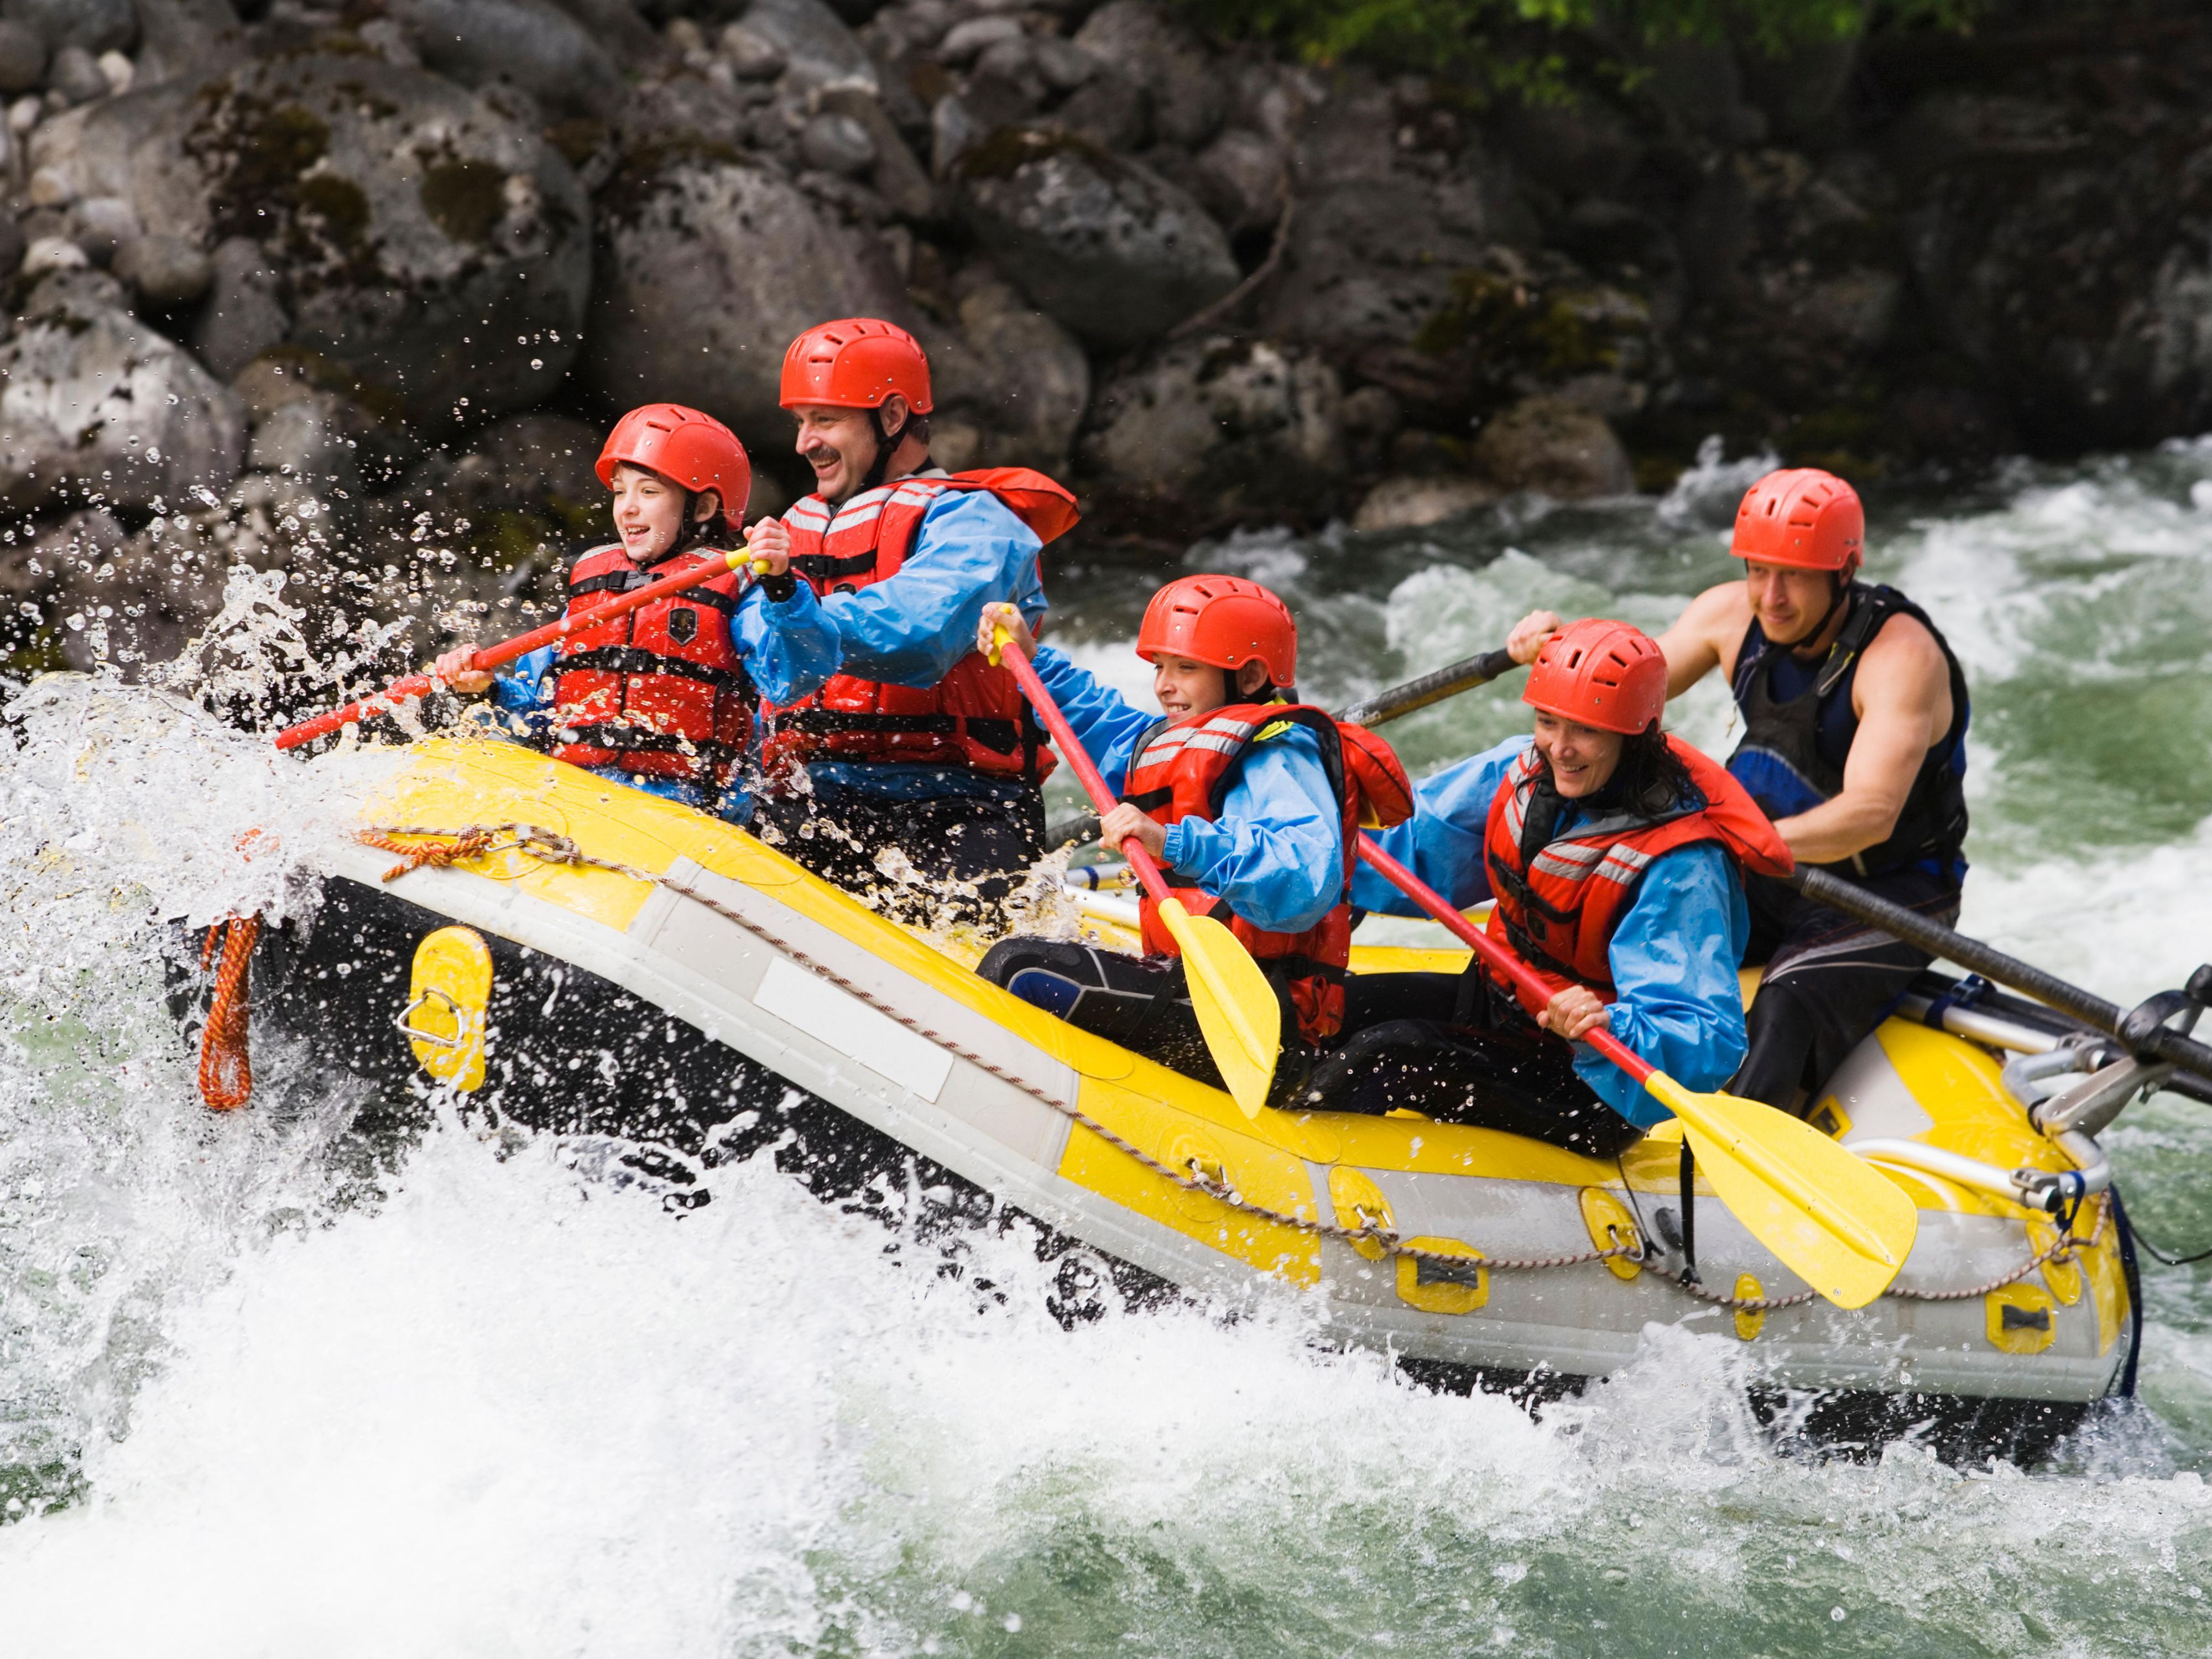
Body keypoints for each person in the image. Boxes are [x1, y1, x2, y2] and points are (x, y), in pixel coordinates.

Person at [1507, 467, 1970, 1115]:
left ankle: (1724, 1168)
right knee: (1606, 919)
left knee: (1784, 1008)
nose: (1771, 597)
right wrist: (1559, 651)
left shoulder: (1899, 656)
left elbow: (1871, 815)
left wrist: (1726, 838)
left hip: (1882, 891)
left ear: (1845, 569)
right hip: (1765, 867)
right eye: (1758, 570)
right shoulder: (1727, 613)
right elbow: (1622, 695)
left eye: (1796, 575)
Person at [1322, 619, 1792, 1156]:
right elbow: (1407, 848)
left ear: (1634, 733)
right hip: (1496, 1009)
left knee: (1390, 1054)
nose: (1560, 748)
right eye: (1548, 721)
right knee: (1323, 1010)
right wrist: (1302, 845)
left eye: (1586, 731)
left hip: (1587, 1085)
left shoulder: (1681, 865)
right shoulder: (1521, 768)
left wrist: (1604, 1024)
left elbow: (1704, 1039)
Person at [973, 575, 1412, 1104]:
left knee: (1018, 968)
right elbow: (1103, 722)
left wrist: (1172, 842)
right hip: (1195, 987)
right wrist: (1031, 657)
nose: (1163, 684)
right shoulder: (1179, 741)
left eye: (1186, 668)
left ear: (1248, 677)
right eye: (1160, 666)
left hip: (1259, 1016)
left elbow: (1304, 879)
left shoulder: (1279, 755)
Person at [744, 318, 1079, 920]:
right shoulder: (785, 535)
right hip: (817, 796)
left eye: (825, 420)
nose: (804, 443)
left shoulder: (978, 524)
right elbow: (758, 665)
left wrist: (795, 611)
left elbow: (921, 634)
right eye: (800, 422)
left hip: (961, 807)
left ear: (893, 417)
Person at [432, 403, 840, 825]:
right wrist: (486, 691)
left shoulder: (742, 593)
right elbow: (538, 713)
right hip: (575, 795)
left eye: (648, 492)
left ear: (701, 510)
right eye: (620, 491)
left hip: (686, 810)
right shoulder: (592, 582)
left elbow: (799, 674)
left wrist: (782, 585)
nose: (627, 508)